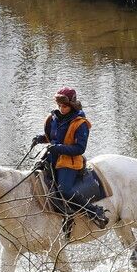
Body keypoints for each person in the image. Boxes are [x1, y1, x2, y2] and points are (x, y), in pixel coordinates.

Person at [32, 87, 108, 229]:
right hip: (51, 157)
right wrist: (41, 139)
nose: (61, 108)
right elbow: (52, 137)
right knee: (33, 175)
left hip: (70, 162)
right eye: (59, 105)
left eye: (64, 106)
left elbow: (80, 149)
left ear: (71, 105)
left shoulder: (81, 124)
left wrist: (58, 148)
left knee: (64, 189)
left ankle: (94, 211)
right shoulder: (52, 118)